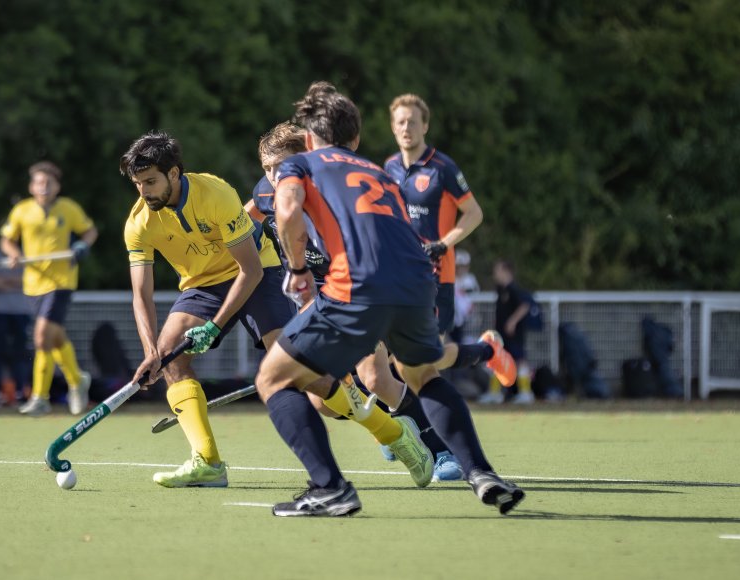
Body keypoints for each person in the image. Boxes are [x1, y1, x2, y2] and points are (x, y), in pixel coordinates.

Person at [256, 81, 523, 517]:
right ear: (356, 138)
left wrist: (299, 270)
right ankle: (481, 472)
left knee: (274, 378)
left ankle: (329, 487)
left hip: (358, 286)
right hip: (419, 283)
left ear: (307, 139)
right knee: (422, 374)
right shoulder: (380, 172)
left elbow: (286, 212)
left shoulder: (301, 164)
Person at [120, 131, 431, 489]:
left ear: (174, 174)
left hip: (257, 275)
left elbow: (249, 271)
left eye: (150, 182)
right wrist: (151, 351)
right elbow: (140, 294)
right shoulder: (139, 222)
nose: (143, 192)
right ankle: (207, 462)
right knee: (172, 359)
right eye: (138, 184)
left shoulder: (216, 194)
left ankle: (393, 433)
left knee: (304, 375)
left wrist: (215, 327)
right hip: (202, 286)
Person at [246, 121, 463, 483]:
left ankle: (440, 450)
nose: (273, 176)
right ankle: (396, 422)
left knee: (375, 376)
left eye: (280, 167)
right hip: (315, 294)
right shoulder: (270, 193)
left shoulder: (336, 194)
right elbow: (250, 211)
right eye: (266, 168)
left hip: (359, 288)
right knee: (322, 402)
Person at [384, 94, 487, 371]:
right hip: (399, 274)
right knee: (389, 358)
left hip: (437, 275)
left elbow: (474, 213)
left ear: (425, 126)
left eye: (413, 122)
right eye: (401, 122)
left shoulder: (443, 169)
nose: (407, 128)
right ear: (393, 127)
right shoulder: (389, 167)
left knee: (425, 361)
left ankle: (486, 350)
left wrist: (444, 243)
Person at [0, 161, 98, 416]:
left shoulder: (68, 208)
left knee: (41, 335)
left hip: (62, 281)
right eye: (39, 183)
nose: (44, 187)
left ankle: (40, 397)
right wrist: (13, 254)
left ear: (57, 186)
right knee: (55, 338)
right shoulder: (22, 210)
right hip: (33, 283)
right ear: (32, 186)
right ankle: (77, 380)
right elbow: (7, 240)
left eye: (48, 183)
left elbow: (90, 232)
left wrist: (81, 247)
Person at [479, 259, 535, 404]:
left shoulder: (513, 289)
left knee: (520, 361)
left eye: (497, 270)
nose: (495, 274)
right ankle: (495, 393)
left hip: (514, 334)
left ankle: (526, 393)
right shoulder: (500, 289)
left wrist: (512, 321)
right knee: (496, 360)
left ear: (506, 271)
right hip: (501, 334)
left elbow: (525, 305)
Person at [0, 246, 31, 405]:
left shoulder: (28, 253)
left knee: (21, 353)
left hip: (22, 311)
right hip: (0, 311)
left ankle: (21, 392)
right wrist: (15, 282)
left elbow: (30, 281)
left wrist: (5, 281)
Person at [450, 249, 480, 346]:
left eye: (463, 266)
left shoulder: (470, 279)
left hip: (470, 319)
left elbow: (474, 296)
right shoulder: (451, 279)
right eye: (458, 266)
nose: (460, 269)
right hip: (454, 319)